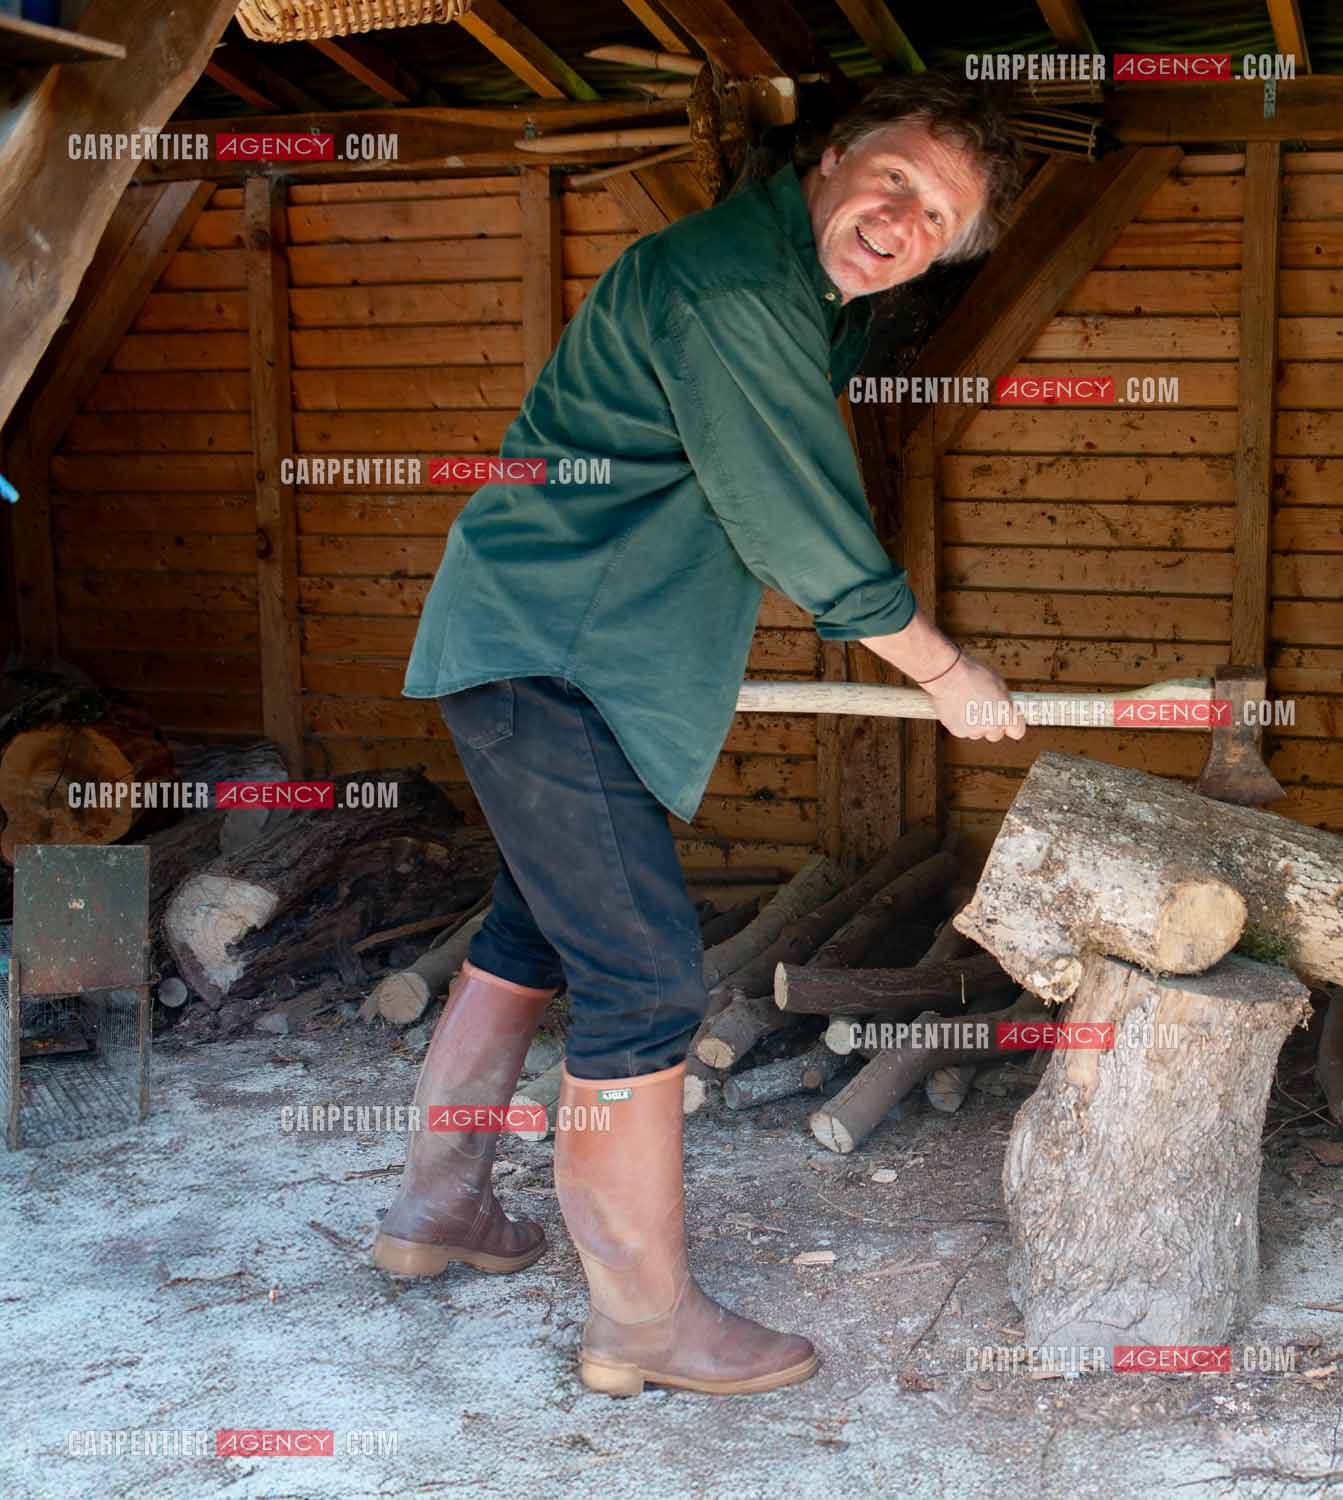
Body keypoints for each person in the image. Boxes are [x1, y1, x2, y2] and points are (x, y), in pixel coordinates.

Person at [370, 72, 1028, 1399]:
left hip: (562, 651)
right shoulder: (733, 290)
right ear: (832, 156)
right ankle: (644, 1323)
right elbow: (795, 525)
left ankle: (438, 1211)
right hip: (554, 651)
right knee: (647, 980)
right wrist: (945, 670)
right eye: (896, 178)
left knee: (532, 932)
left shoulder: (780, 291)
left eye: (940, 215)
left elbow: (809, 360)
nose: (905, 216)